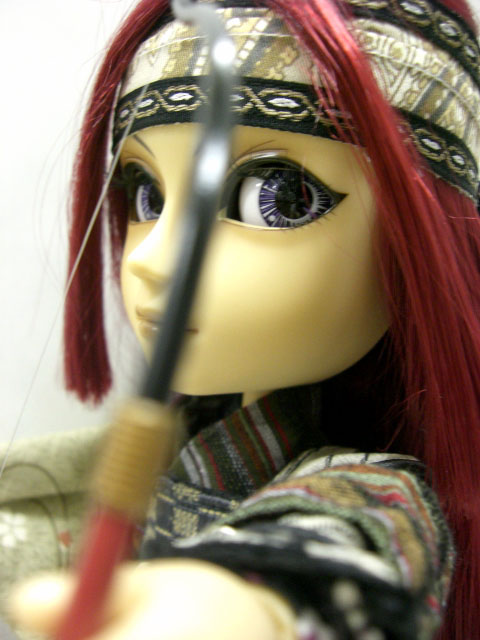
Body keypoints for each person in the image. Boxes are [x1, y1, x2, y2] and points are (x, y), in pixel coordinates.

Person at [10, 0, 480, 638]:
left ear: (425, 245)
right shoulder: (173, 443)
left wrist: (244, 605)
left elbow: (340, 542)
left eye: (276, 198)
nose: (152, 259)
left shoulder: (374, 492)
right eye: (147, 195)